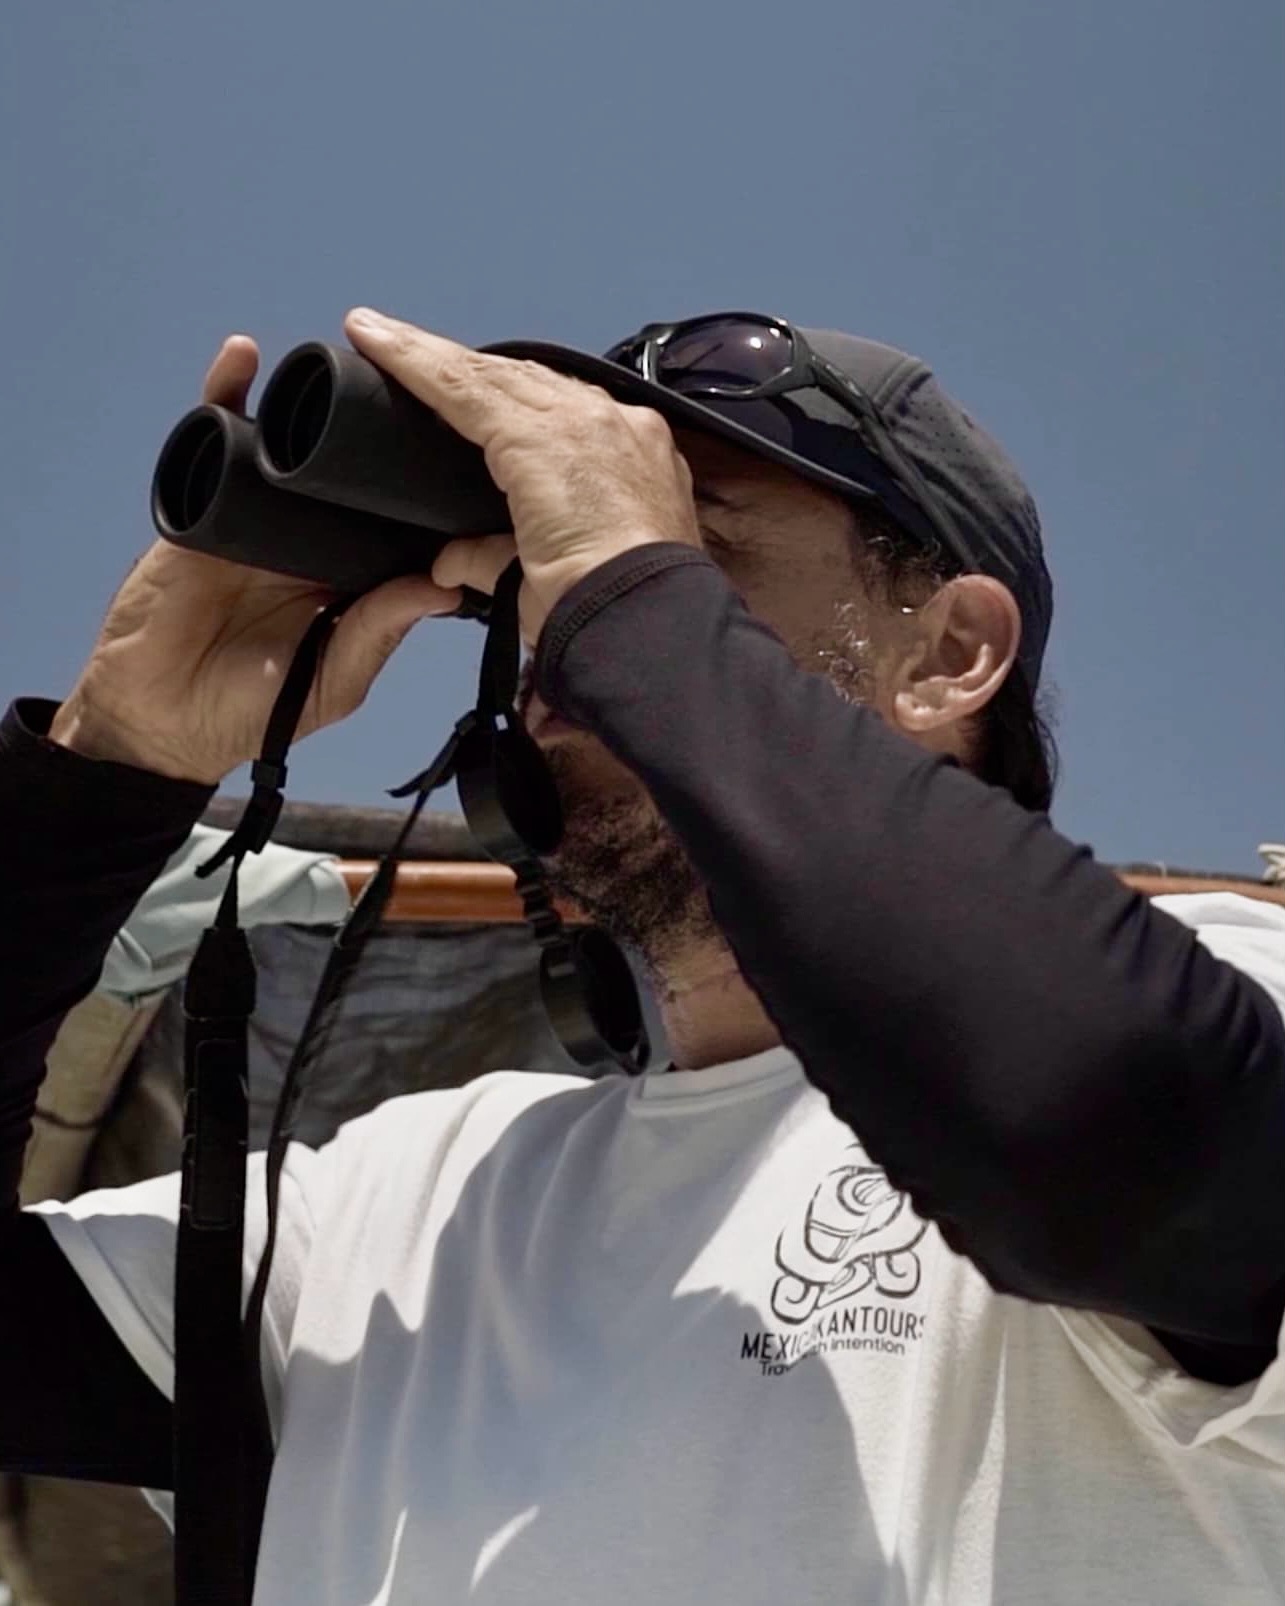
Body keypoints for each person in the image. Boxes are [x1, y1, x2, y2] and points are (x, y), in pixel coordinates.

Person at [2, 308, 1283, 1605]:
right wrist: (100, 776)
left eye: (689, 548)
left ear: (950, 653)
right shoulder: (401, 1205)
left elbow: (1113, 1118)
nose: (560, 640)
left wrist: (637, 606)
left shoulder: (1216, 986)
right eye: (537, 583)